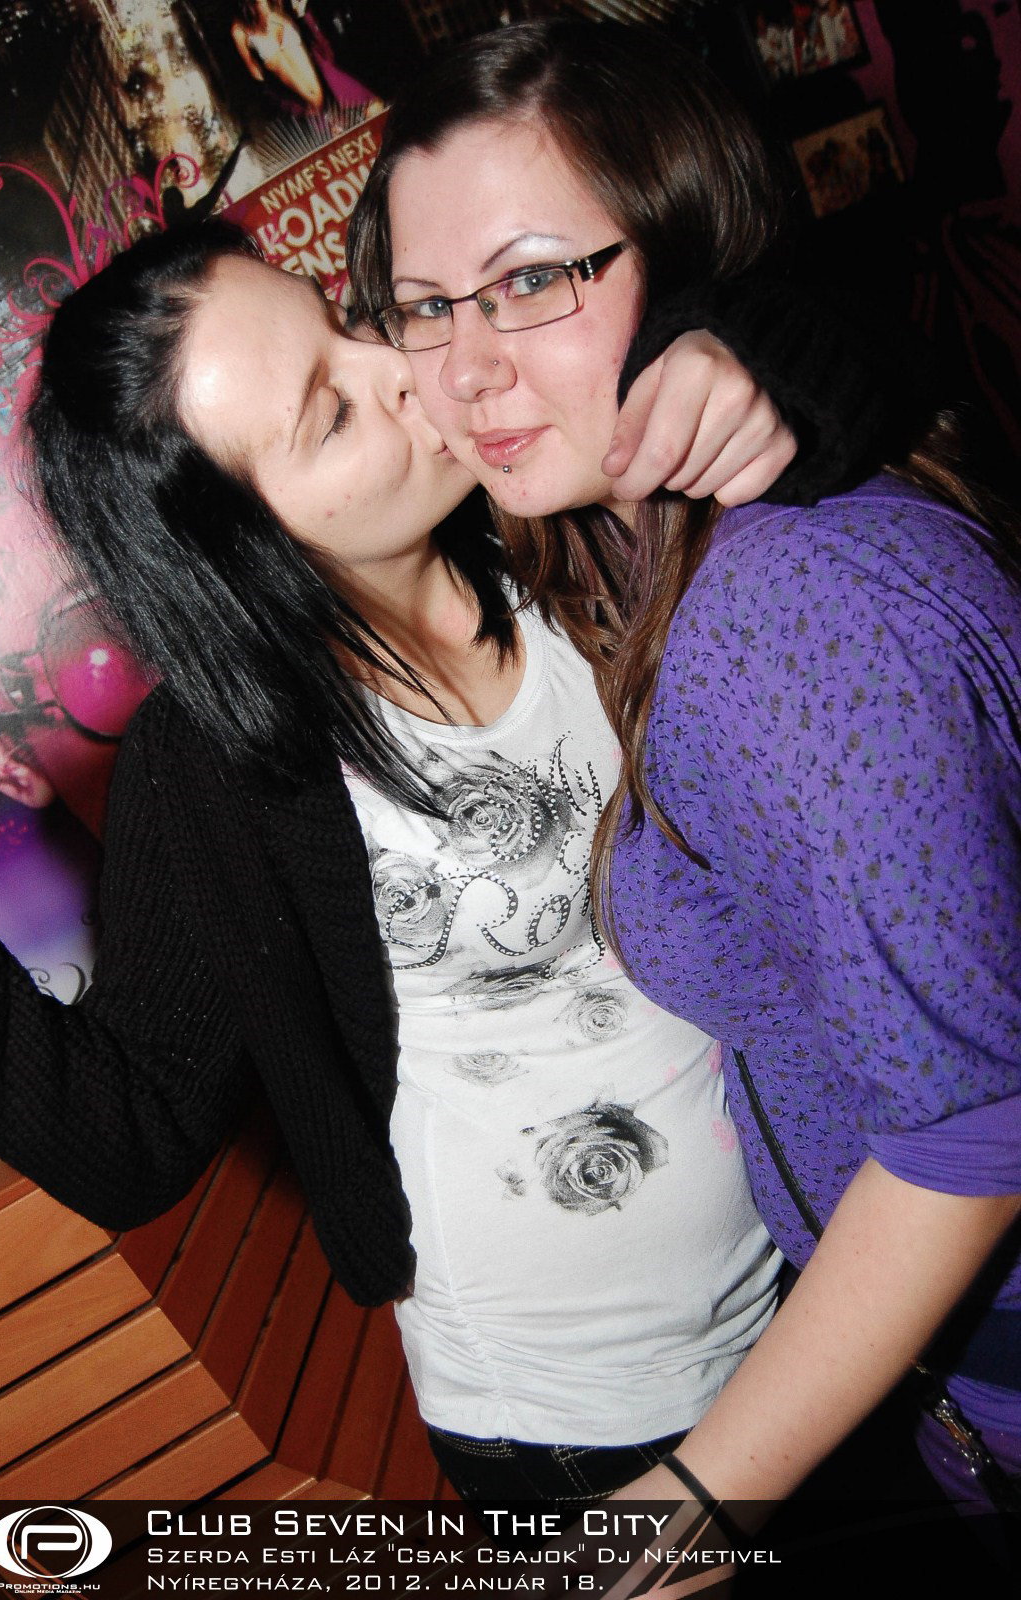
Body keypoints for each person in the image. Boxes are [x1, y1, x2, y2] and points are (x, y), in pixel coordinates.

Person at [0, 215, 910, 1505]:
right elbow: (127, 1139)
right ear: (244, 543)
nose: (401, 368)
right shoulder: (225, 767)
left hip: (843, 1282)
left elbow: (863, 322)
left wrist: (750, 354)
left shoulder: (573, 528)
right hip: (586, 1433)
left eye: (345, 322)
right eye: (330, 415)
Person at [344, 16, 1021, 1512]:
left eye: (532, 279)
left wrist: (693, 1511)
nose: (464, 370)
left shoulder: (787, 604)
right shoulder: (610, 558)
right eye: (424, 307)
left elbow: (981, 1129)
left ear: (694, 256)